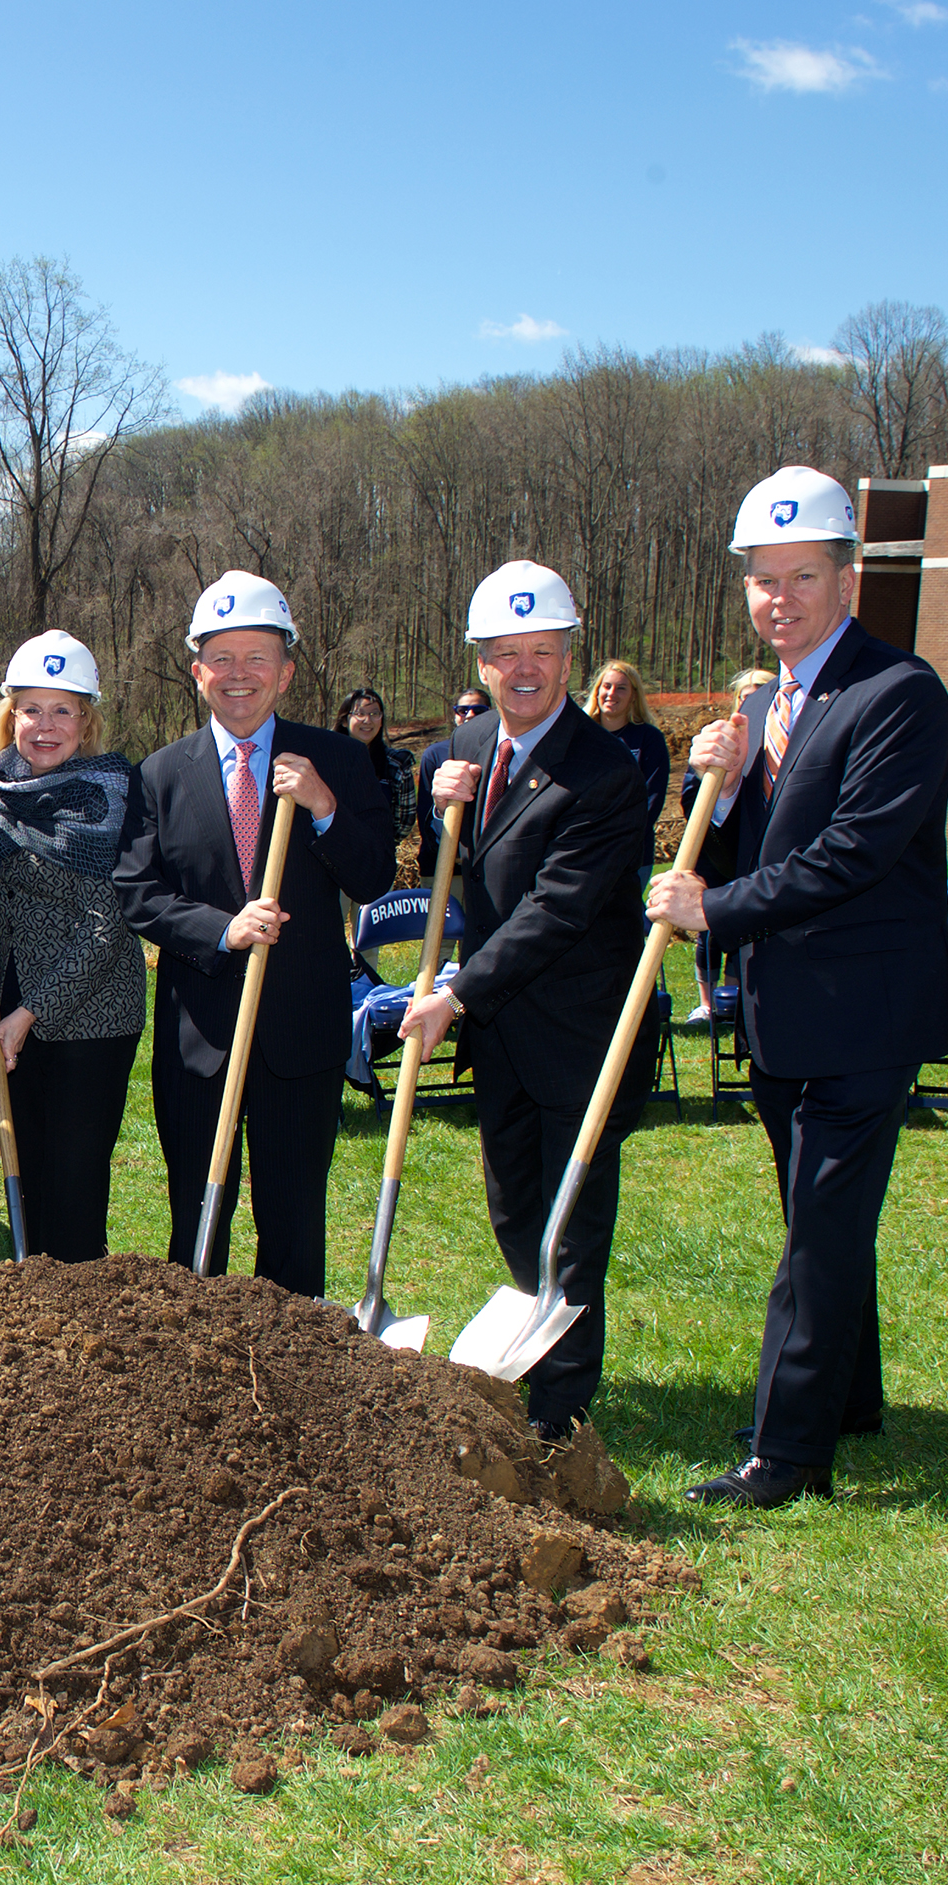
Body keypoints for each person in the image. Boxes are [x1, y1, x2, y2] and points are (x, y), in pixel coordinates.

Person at [647, 467, 948, 1508]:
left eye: (801, 577)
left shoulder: (900, 693)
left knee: (817, 1233)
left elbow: (852, 853)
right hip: (787, 1011)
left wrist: (717, 909)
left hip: (866, 1009)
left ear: (848, 578)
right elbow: (756, 841)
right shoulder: (766, 702)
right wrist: (726, 786)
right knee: (819, 1217)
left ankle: (784, 1453)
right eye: (761, 580)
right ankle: (852, 1395)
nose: (778, 599)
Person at [397, 563, 661, 1440]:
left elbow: (557, 907)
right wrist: (442, 822)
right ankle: (535, 1351)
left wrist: (455, 993)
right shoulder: (467, 753)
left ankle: (560, 1405)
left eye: (541, 652)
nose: (523, 670)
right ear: (480, 664)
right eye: (504, 654)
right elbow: (472, 872)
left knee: (572, 1217)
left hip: (582, 1030)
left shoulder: (605, 772)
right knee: (514, 1203)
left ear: (568, 656)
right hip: (503, 1033)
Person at [117, 571, 392, 1291]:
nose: (240, 676)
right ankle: (199, 1372)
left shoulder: (335, 759)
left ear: (287, 670)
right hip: (200, 1039)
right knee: (198, 1220)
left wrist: (327, 808)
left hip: (301, 1034)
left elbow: (373, 878)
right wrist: (221, 929)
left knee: (293, 1222)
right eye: (222, 658)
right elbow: (138, 893)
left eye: (258, 657)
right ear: (197, 669)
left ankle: (294, 1376)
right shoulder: (161, 773)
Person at [0, 630, 143, 1263]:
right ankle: (39, 1325)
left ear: (87, 720)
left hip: (91, 1017)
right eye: (31, 708)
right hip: (15, 1002)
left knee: (73, 1189)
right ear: (10, 716)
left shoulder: (110, 795)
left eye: (63, 709)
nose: (46, 726)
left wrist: (28, 1012)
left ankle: (83, 1330)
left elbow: (107, 924)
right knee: (30, 1177)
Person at [680, 668, 774, 1024]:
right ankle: (708, 1003)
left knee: (744, 932)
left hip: (760, 869)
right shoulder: (717, 744)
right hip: (715, 860)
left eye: (760, 693)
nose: (751, 702)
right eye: (744, 696)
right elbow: (693, 798)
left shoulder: (785, 743)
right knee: (711, 935)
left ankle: (736, 1005)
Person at [586, 660, 671, 872]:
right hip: (583, 851)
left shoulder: (649, 738)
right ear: (597, 691)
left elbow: (652, 797)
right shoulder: (580, 736)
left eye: (621, 688)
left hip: (632, 855)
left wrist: (617, 837)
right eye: (606, 686)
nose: (611, 693)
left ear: (633, 695)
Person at [417, 690, 492, 880]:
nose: (470, 715)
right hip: (442, 866)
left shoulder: (499, 753)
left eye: (479, 710)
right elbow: (425, 813)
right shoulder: (434, 754)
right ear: (455, 715)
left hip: (487, 868)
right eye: (463, 710)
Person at [334, 687, 415, 843]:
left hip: (378, 852)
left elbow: (405, 821)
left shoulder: (396, 764)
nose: (368, 720)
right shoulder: (326, 760)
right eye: (360, 713)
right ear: (344, 720)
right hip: (330, 852)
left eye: (374, 714)